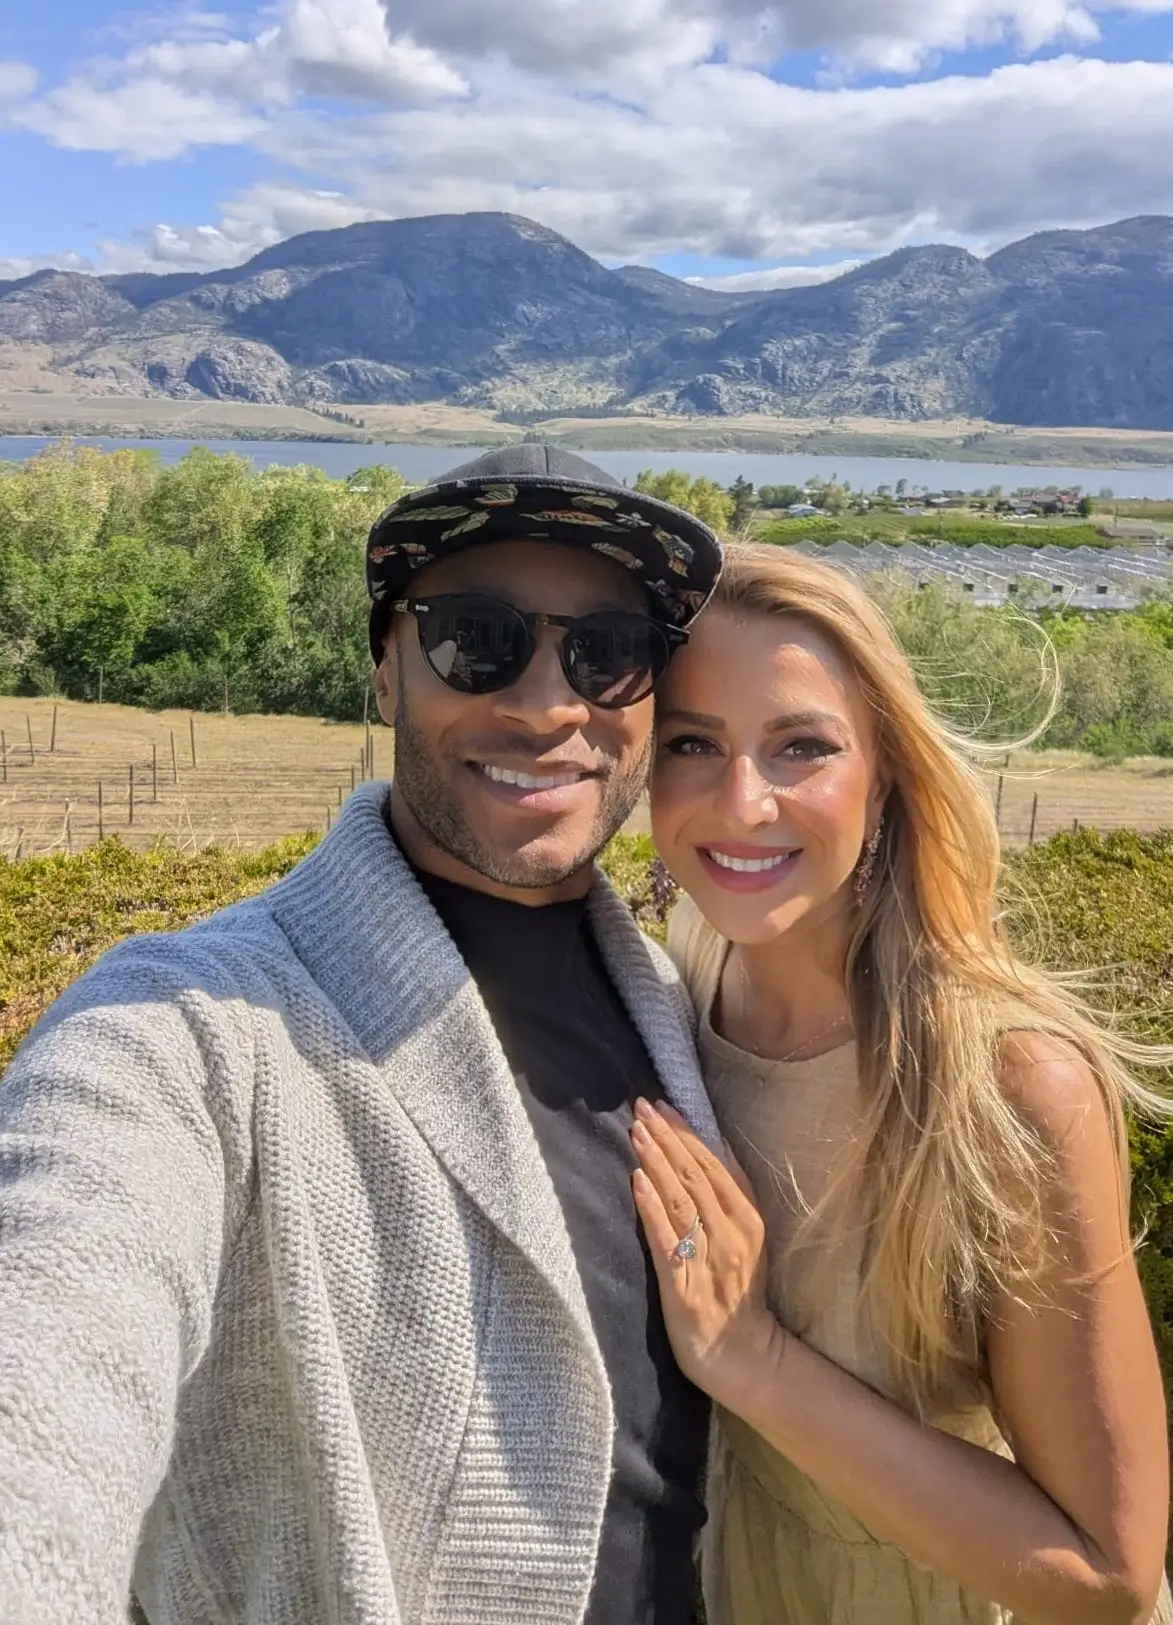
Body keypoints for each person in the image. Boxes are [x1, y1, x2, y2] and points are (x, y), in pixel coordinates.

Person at [0, 445, 725, 1625]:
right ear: (386, 670)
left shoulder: (686, 1002)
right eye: (475, 638)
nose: (547, 705)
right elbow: (52, 1354)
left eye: (607, 651)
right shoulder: (182, 1032)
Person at [631, 542, 1173, 1625]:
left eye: (801, 746)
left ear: (883, 771)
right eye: (692, 742)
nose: (742, 802)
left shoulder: (1009, 1088)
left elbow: (1105, 1572)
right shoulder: (682, 971)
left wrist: (752, 1358)